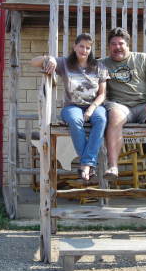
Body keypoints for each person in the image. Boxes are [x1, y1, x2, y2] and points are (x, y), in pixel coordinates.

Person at [30, 33, 109, 181]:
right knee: (75, 120)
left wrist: (92, 109)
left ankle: (85, 165)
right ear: (75, 47)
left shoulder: (99, 66)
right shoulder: (65, 63)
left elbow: (102, 94)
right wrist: (50, 59)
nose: (84, 50)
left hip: (94, 105)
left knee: (101, 119)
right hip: (72, 106)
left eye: (88, 47)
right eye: (81, 46)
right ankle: (88, 164)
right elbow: (33, 62)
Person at [101, 27, 146, 182]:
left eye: (121, 43)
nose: (117, 47)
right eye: (113, 44)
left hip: (144, 106)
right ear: (109, 46)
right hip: (119, 105)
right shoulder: (102, 64)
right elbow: (80, 69)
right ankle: (113, 166)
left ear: (127, 45)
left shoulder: (142, 59)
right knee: (114, 115)